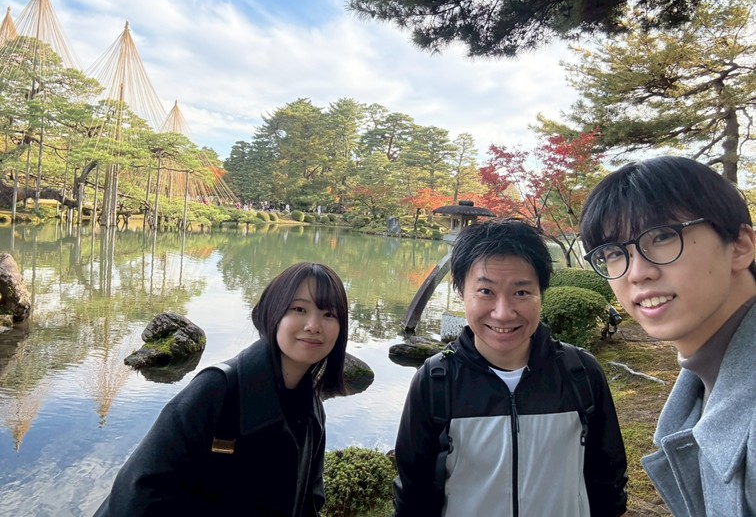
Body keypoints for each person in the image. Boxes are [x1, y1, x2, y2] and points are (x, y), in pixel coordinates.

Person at [393, 219, 628, 516]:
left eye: (521, 293)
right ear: (462, 293)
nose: (503, 313)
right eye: (485, 291)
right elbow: (413, 495)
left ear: (541, 293)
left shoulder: (580, 374)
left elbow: (608, 483)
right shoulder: (436, 380)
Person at [94, 262, 349, 516]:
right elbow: (138, 493)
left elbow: (309, 503)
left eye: (329, 314)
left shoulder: (311, 410)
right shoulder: (217, 390)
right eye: (299, 309)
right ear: (273, 313)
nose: (314, 325)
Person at [580, 156, 756, 516]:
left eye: (662, 236)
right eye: (613, 253)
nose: (637, 273)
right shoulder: (703, 381)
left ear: (739, 246)